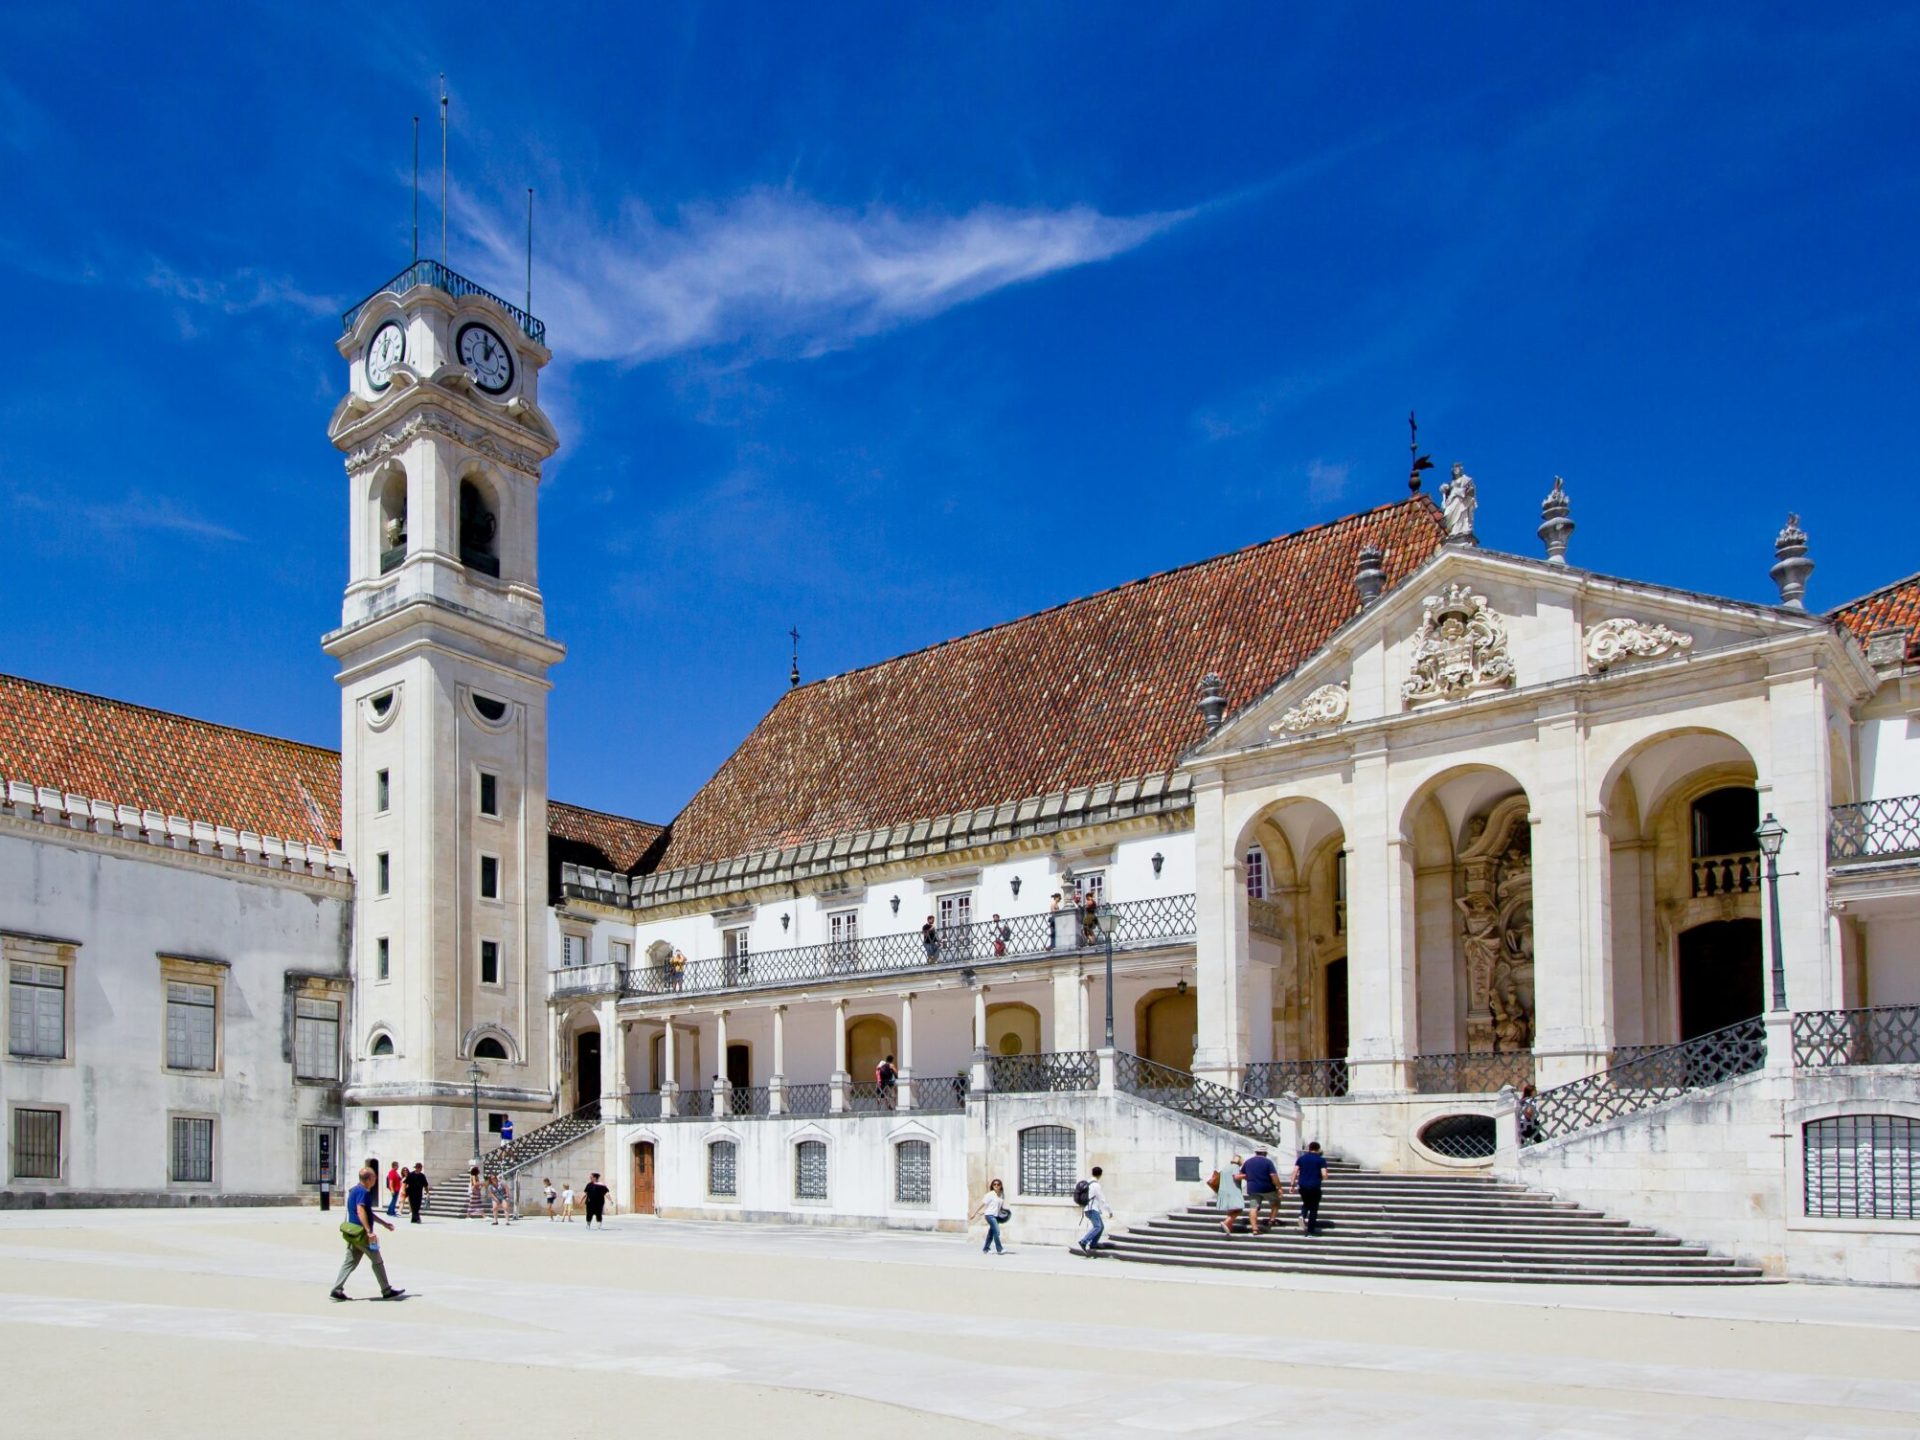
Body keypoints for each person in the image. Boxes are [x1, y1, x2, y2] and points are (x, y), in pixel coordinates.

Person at [330, 1165, 404, 1302]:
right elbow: (360, 1210)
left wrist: (384, 1224)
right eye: (374, 1177)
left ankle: (336, 1290)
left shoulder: (354, 1190)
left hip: (353, 1233)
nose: (376, 1180)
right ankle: (387, 1291)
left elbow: (368, 1213)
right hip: (362, 1234)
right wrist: (369, 1231)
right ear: (369, 1179)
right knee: (377, 1261)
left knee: (350, 1262)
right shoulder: (363, 1192)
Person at [1238, 1146, 1285, 1235]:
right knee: (1276, 1203)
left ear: (1256, 1152)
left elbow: (1242, 1174)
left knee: (1253, 1208)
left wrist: (1251, 1180)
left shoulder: (1248, 1162)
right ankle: (1271, 1220)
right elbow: (1273, 1176)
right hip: (1268, 1188)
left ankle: (1255, 1229)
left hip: (1253, 1190)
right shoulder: (1268, 1162)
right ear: (1265, 1153)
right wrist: (1279, 1187)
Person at [1292, 1141, 1329, 1235]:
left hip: (1302, 1186)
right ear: (1318, 1149)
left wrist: (1292, 1184)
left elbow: (1295, 1172)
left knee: (1306, 1202)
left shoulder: (1301, 1159)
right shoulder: (1321, 1160)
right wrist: (1323, 1177)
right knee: (1313, 1208)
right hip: (1314, 1186)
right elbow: (1324, 1174)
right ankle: (1310, 1231)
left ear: (1309, 1148)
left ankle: (1302, 1215)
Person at [1075, 1166, 1112, 1255]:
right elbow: (1102, 1199)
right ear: (1100, 1175)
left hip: (1087, 1208)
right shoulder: (1096, 1185)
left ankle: (1094, 1244)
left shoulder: (1088, 1182)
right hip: (1092, 1209)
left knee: (1101, 1226)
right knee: (1098, 1227)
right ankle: (1084, 1241)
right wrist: (1109, 1211)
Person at [971, 1177, 1009, 1255]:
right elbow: (982, 1204)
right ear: (992, 1186)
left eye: (998, 1184)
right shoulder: (990, 1194)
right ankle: (999, 1249)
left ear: (1001, 1186)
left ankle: (986, 1249)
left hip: (996, 1216)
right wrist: (974, 1213)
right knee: (997, 1231)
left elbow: (998, 1206)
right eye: (994, 1184)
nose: (996, 1186)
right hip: (990, 1215)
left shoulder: (1002, 1194)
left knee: (991, 1233)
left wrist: (1003, 1214)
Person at [1214, 1155, 1247, 1236]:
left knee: (1231, 1210)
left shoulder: (1226, 1167)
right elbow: (1236, 1177)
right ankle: (1226, 1222)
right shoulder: (1235, 1167)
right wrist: (1247, 1175)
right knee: (1239, 1209)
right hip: (1233, 1191)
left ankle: (1229, 1226)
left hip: (1224, 1191)